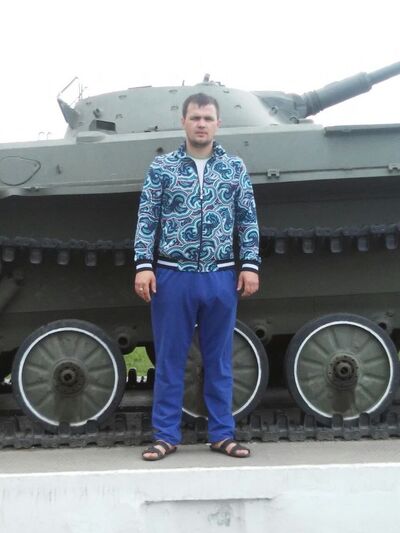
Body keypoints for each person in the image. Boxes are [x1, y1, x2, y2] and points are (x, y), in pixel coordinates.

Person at [134, 92, 260, 460]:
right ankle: (166, 436)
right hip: (173, 275)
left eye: (207, 118)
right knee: (171, 359)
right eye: (195, 117)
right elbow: (148, 217)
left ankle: (222, 434)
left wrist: (249, 264)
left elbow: (247, 218)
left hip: (220, 275)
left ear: (218, 123)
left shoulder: (233, 168)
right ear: (184, 122)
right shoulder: (163, 167)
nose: (201, 124)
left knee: (219, 360)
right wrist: (143, 265)